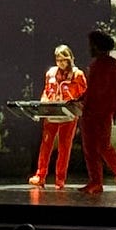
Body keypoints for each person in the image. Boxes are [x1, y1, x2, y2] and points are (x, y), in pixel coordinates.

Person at [79, 30, 116, 194]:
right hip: (89, 112)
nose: (89, 48)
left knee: (103, 146)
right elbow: (91, 89)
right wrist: (80, 99)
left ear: (97, 46)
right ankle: (95, 182)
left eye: (91, 45)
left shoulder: (113, 65)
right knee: (89, 148)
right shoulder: (94, 65)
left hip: (103, 112)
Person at [29, 44, 85, 188]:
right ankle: (40, 175)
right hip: (52, 112)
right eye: (58, 60)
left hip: (68, 114)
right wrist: (43, 105)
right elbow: (46, 91)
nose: (60, 63)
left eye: (63, 60)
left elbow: (84, 94)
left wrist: (76, 104)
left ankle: (60, 178)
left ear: (70, 59)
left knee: (64, 147)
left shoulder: (77, 75)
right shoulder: (51, 73)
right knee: (46, 144)